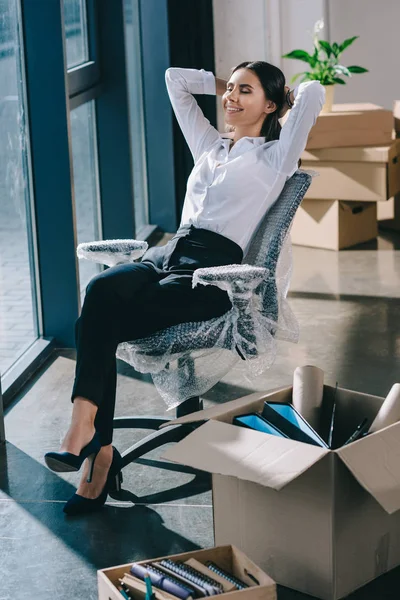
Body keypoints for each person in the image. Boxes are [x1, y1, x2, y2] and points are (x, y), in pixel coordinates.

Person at [44, 60, 325, 515]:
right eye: (229, 90)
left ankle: (93, 449)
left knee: (99, 322)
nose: (231, 98)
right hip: (165, 254)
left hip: (208, 274)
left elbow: (313, 92)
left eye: (245, 92)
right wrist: (228, 84)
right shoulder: (210, 146)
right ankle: (87, 431)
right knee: (100, 292)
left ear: (271, 105)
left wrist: (285, 95)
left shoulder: (276, 157)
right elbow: (174, 79)